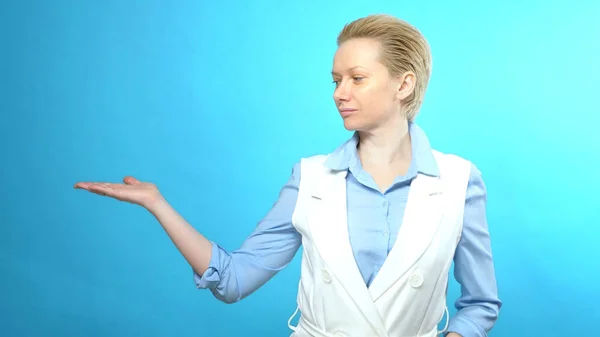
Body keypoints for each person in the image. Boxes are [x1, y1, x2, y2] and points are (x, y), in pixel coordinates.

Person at [75, 14, 501, 337]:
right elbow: (234, 280)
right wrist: (157, 204)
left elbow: (480, 302)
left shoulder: (459, 180)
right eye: (336, 80)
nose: (339, 93)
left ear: (404, 84)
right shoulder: (312, 177)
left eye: (357, 78)